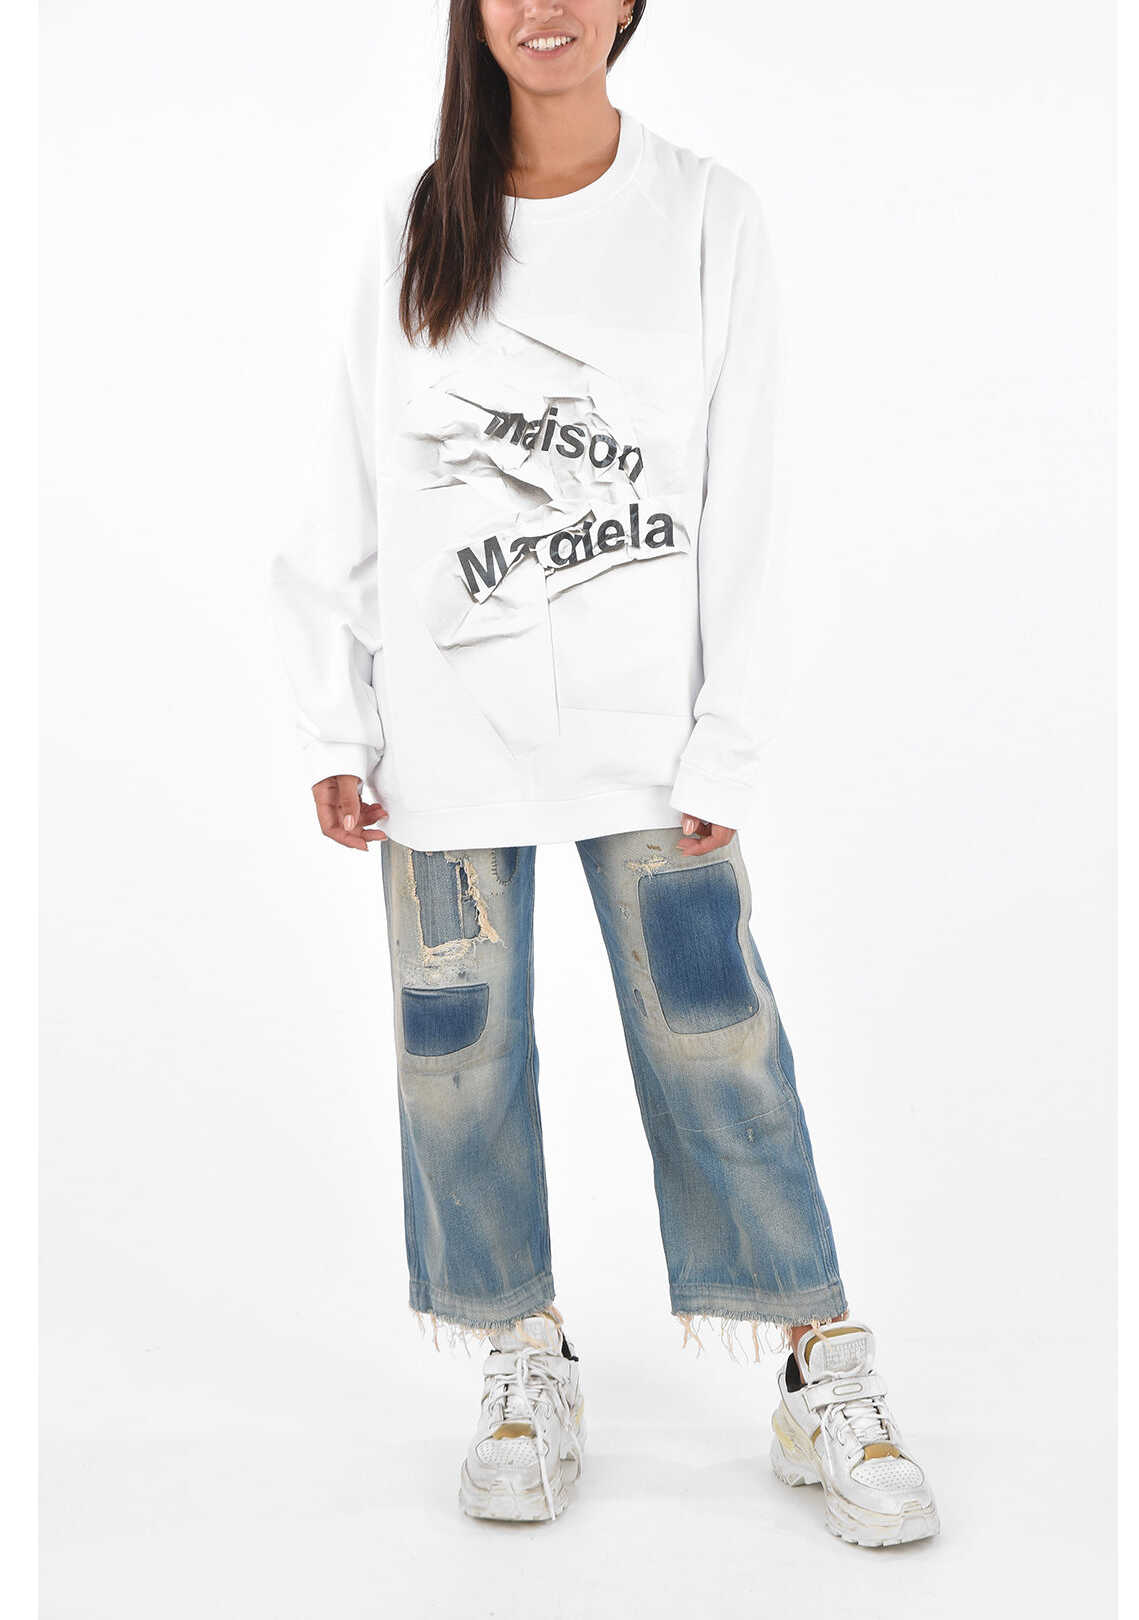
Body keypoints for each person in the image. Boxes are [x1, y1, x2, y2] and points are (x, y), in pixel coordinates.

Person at [271, 0, 940, 1545]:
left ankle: (816, 1362)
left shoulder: (704, 215)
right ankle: (521, 1353)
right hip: (443, 735)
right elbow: (346, 476)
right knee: (456, 1061)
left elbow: (747, 488)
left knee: (717, 1042)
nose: (546, 8)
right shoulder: (411, 226)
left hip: (650, 743)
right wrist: (331, 719)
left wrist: (727, 727)